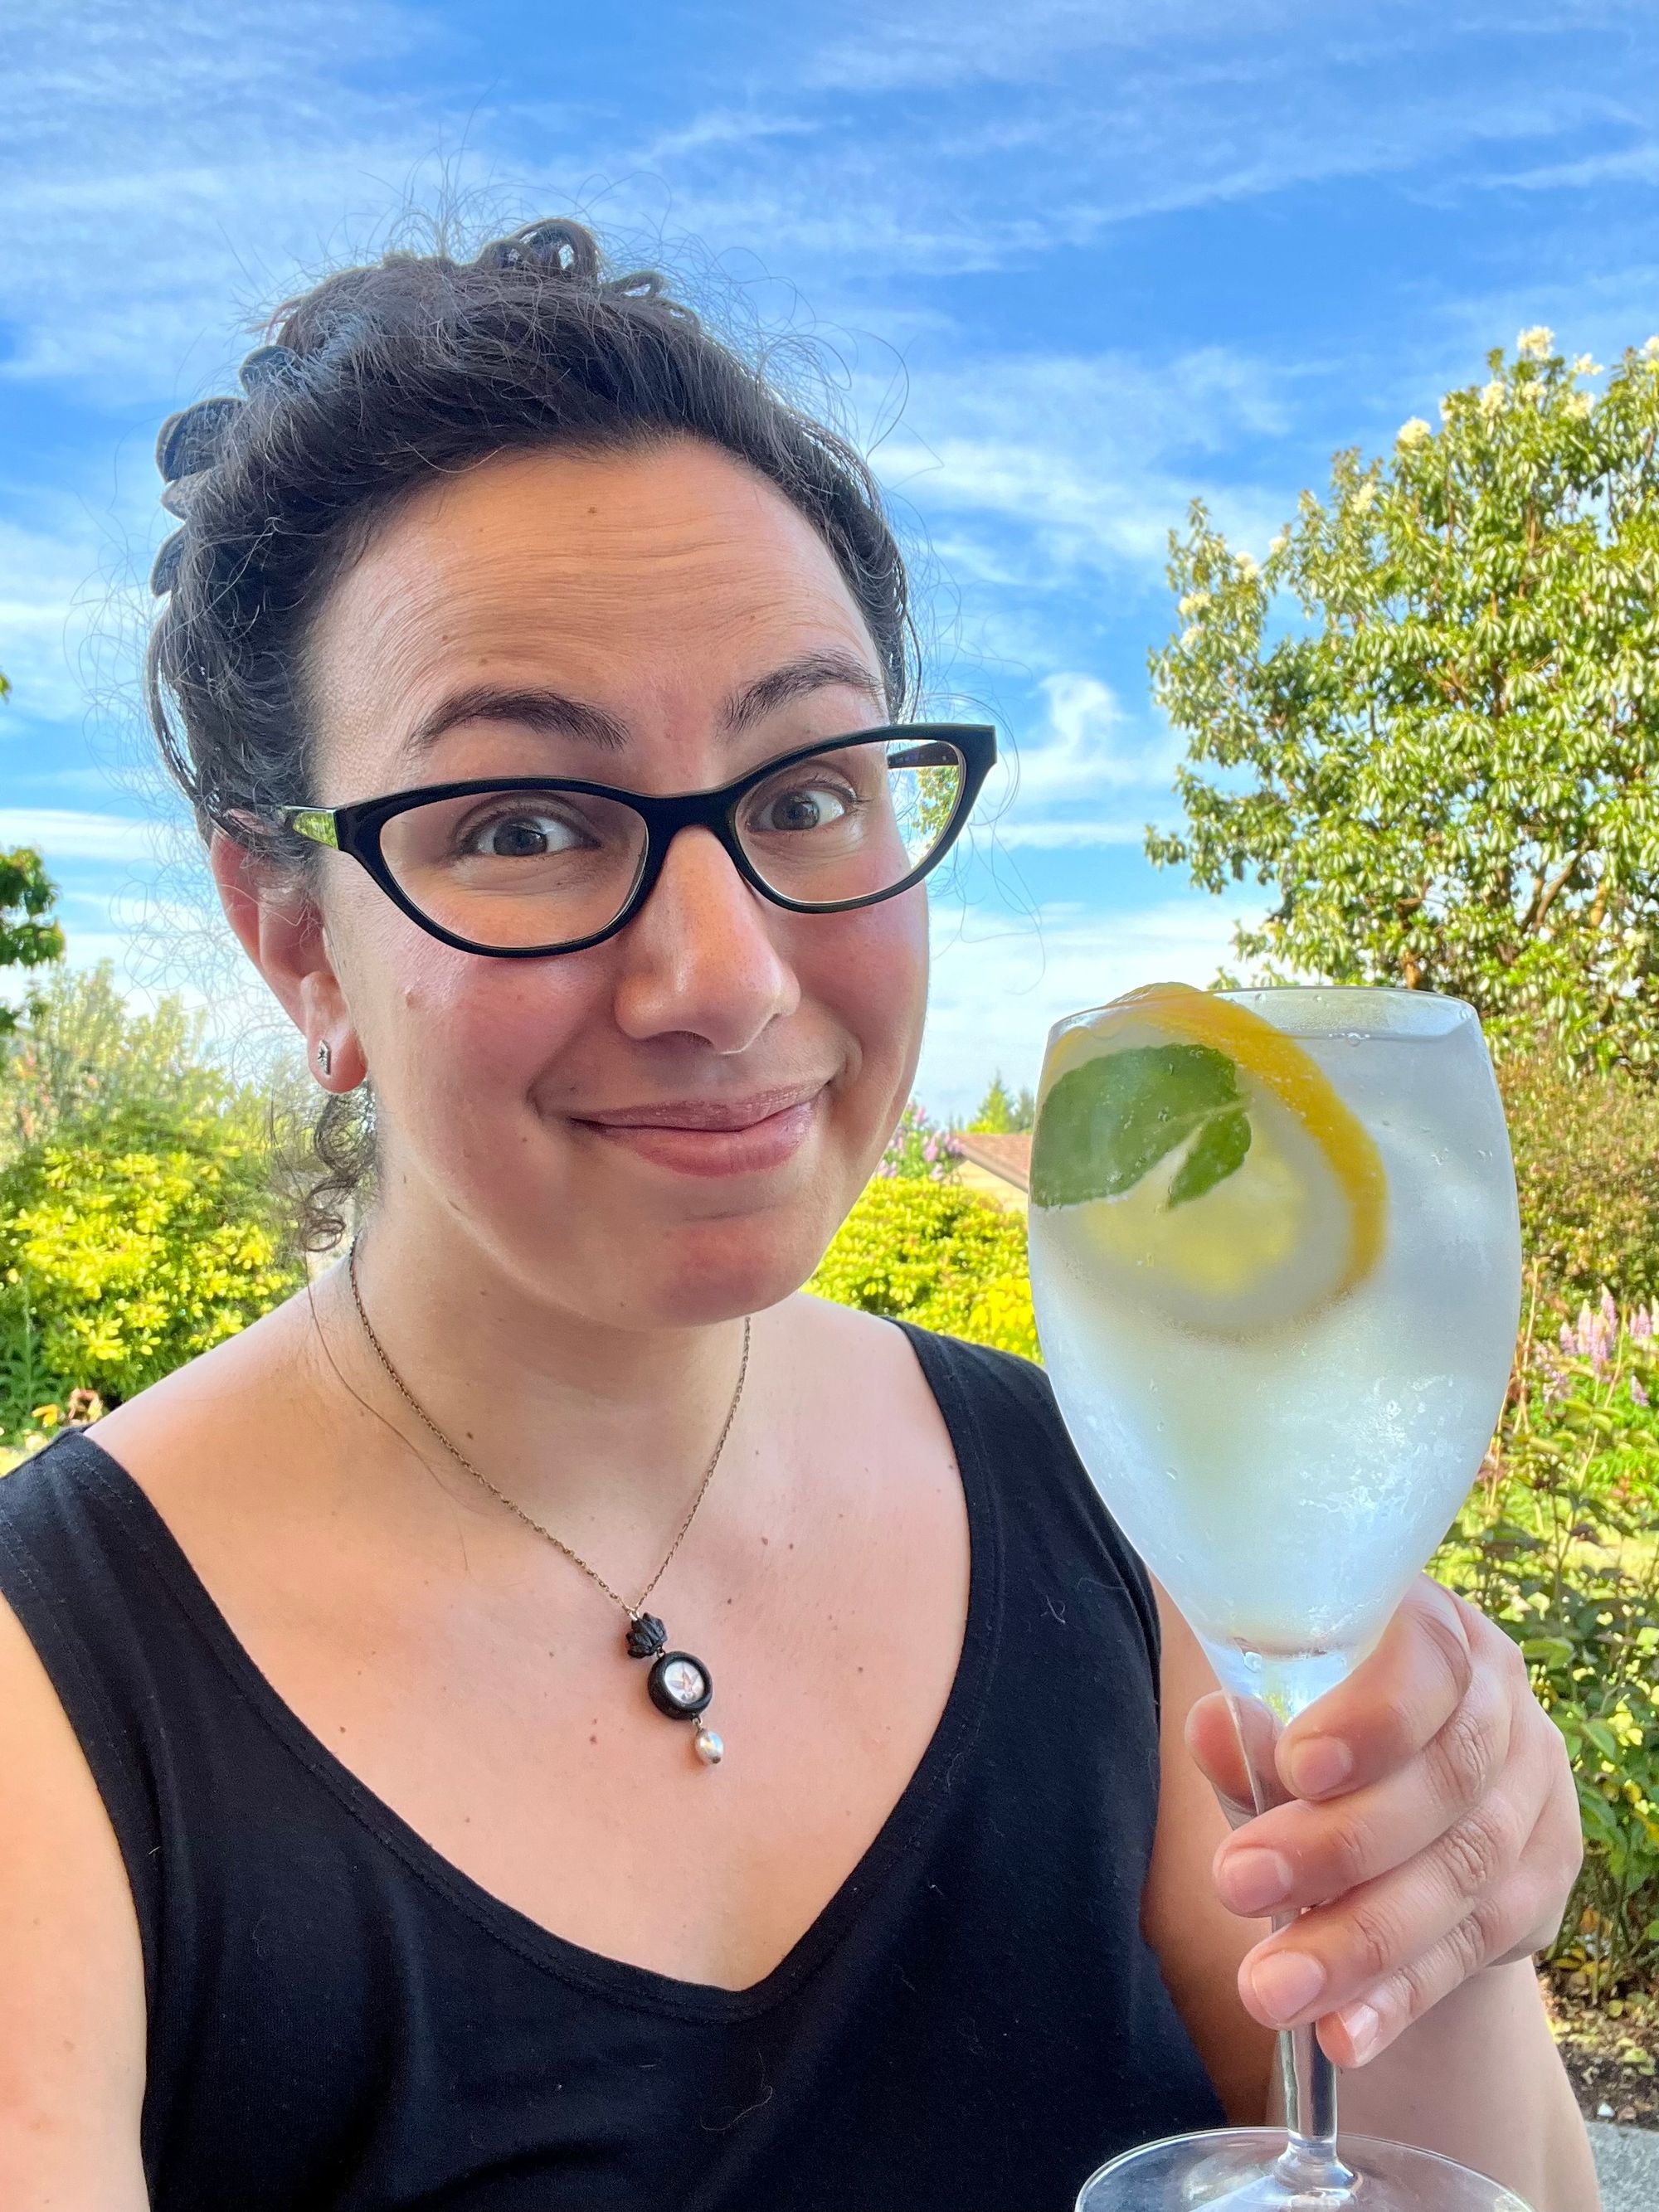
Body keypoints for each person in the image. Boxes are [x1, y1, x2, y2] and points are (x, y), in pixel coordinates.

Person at [0, 218, 1598, 2212]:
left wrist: (1444, 1920)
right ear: (295, 939)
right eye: (520, 822)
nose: (727, 975)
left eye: (807, 786)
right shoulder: (53, 1699)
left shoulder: (1118, 1510)